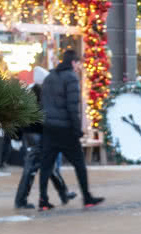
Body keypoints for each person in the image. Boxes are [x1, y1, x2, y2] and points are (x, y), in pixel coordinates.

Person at [37, 49, 104, 210]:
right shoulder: (71, 78)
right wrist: (77, 129)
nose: (79, 67)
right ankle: (87, 197)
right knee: (79, 164)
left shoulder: (49, 77)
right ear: (73, 62)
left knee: (46, 166)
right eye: (78, 64)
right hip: (65, 129)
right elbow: (72, 107)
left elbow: (41, 104)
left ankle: (43, 200)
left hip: (49, 129)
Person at [14, 66, 76, 209]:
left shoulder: (32, 93)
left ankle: (64, 193)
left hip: (36, 135)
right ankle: (21, 200)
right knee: (31, 169)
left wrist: (16, 137)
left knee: (49, 166)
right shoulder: (39, 94)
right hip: (38, 136)